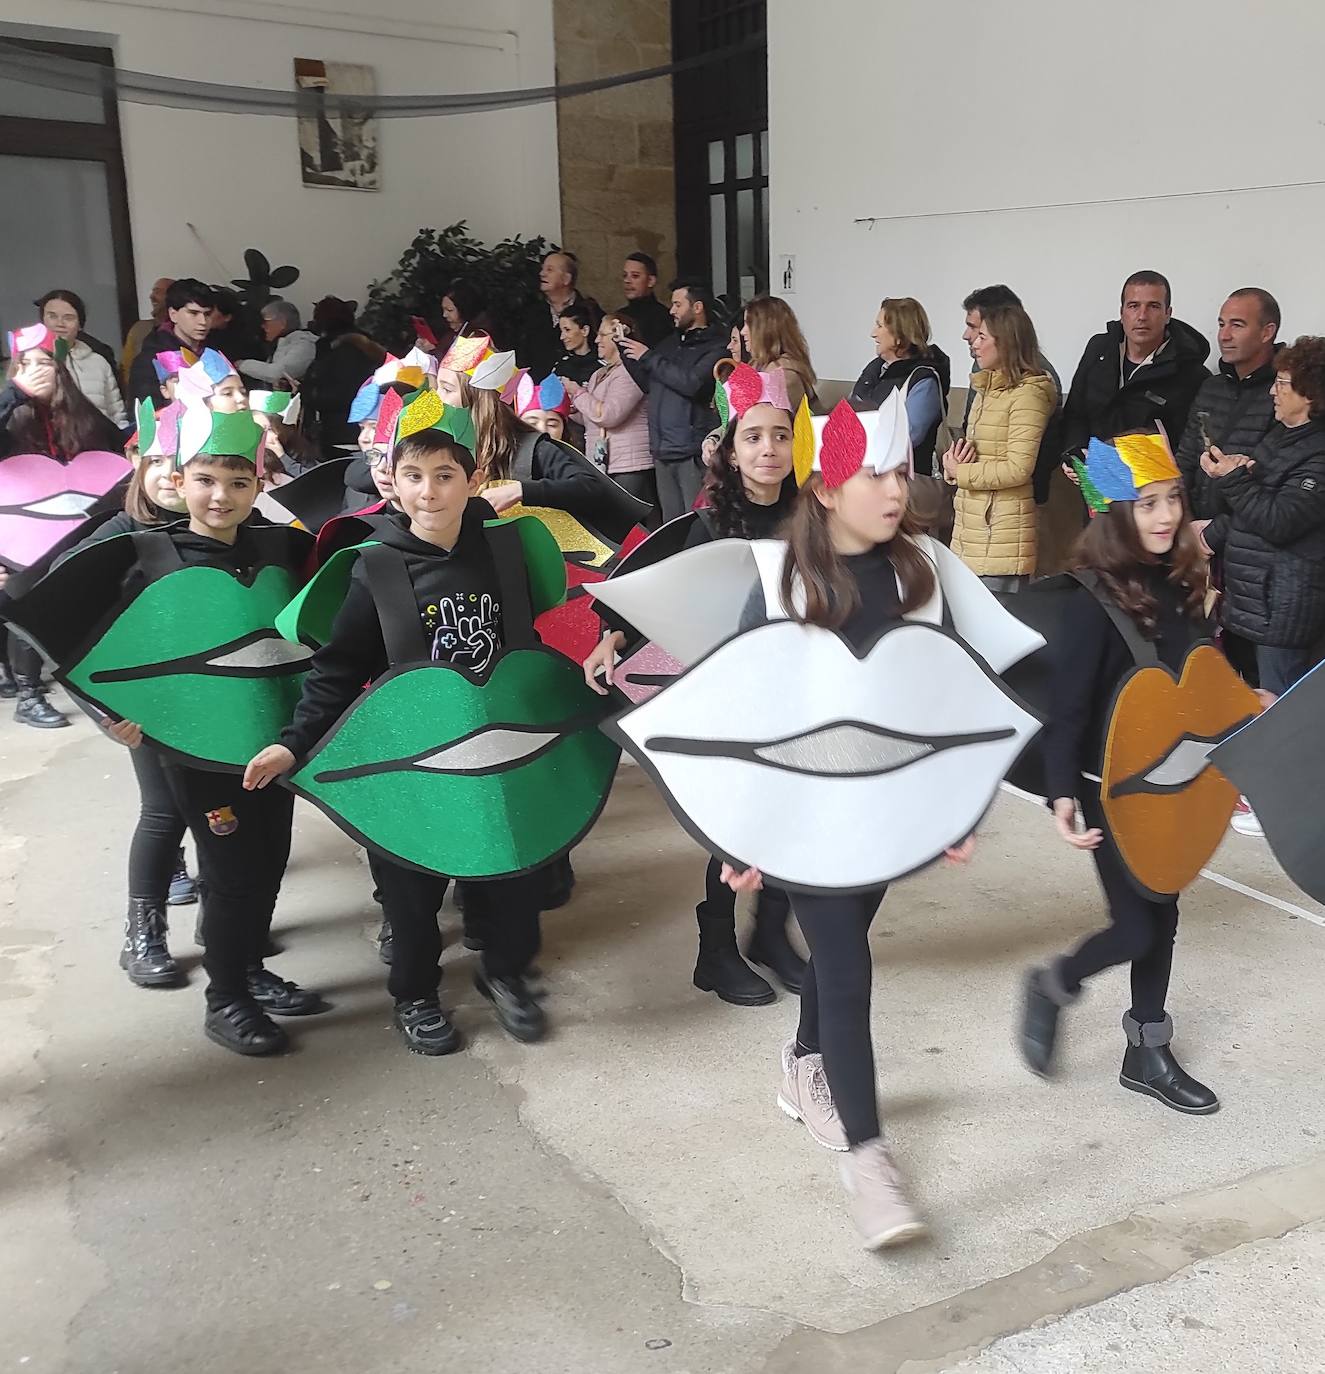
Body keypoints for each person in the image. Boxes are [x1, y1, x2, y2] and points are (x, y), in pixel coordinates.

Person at [721, 406, 977, 1247]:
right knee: (846, 966)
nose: (894, 489)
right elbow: (742, 713)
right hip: (808, 811)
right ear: (827, 489)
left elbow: (937, 690)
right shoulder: (782, 583)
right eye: (874, 474)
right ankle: (870, 1166)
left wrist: (950, 800)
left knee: (845, 947)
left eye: (901, 471)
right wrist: (740, 833)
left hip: (885, 807)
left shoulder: (918, 573)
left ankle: (802, 1064)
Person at [246, 429, 549, 1050]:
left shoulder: (507, 549)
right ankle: (415, 994)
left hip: (494, 745)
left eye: (445, 476)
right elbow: (337, 669)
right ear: (394, 483)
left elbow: (535, 642)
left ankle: (505, 972)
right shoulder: (375, 567)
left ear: (473, 481)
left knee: (510, 870)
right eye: (414, 476)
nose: (429, 492)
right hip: (407, 755)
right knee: (412, 889)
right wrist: (295, 742)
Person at [90, 418, 325, 1054]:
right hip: (195, 751)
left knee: (269, 856)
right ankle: (226, 999)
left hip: (271, 738)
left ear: (259, 485)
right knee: (229, 871)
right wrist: (112, 715)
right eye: (206, 481)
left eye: (238, 483)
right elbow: (96, 646)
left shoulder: (280, 548)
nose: (221, 496)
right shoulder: (149, 557)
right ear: (179, 481)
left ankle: (246, 966)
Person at [585, 364, 804, 1004]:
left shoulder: (813, 518)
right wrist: (613, 635)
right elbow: (656, 585)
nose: (769, 449)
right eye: (753, 437)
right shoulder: (709, 523)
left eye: (781, 436)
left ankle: (770, 933)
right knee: (734, 824)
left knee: (791, 813)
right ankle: (716, 950)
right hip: (731, 693)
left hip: (796, 689)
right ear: (730, 451)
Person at [1020, 446, 1220, 1114]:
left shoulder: (1183, 584)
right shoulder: (1092, 602)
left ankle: (1146, 1050)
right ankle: (1055, 982)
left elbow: (1198, 681)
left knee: (1163, 913)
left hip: (1176, 776)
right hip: (1110, 787)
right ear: (1114, 511)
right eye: (1147, 503)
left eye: (1172, 499)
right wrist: (1060, 794)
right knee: (1137, 928)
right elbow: (1069, 711)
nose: (1164, 516)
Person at [54, 431, 200, 987]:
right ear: (136, 461)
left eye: (181, 461)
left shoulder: (215, 528)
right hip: (146, 704)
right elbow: (63, 629)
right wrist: (105, 712)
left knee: (220, 813)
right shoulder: (113, 538)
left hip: (217, 697)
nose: (168, 473)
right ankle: (144, 936)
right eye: (157, 459)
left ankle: (227, 927)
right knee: (164, 811)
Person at [2, 328, 126, 727]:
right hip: (18, 534)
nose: (36, 370)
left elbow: (118, 451)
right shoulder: (9, 415)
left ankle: (94, 684)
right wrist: (16, 395)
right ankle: (28, 694)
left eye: (44, 362)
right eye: (25, 364)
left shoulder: (82, 415)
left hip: (71, 530)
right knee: (26, 599)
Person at [1195, 337, 1325, 700]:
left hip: (1282, 613)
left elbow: (1279, 521)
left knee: (1278, 716)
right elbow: (1247, 508)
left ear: (1310, 393)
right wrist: (1229, 475)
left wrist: (1234, 478)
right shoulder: (1281, 436)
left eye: (1281, 383)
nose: (1272, 392)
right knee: (1244, 707)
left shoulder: (1318, 452)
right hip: (1250, 603)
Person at [942, 300, 1056, 588]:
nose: (974, 344)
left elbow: (1018, 468)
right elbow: (975, 455)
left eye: (982, 337)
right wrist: (952, 463)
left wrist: (961, 472)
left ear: (1006, 342)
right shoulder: (987, 389)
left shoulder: (1028, 395)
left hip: (1001, 536)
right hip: (972, 530)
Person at [1061, 271, 1211, 474]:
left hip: (1152, 484)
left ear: (1168, 314)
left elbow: (1188, 448)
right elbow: (1075, 413)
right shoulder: (1099, 349)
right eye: (1133, 306)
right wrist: (1074, 454)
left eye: (1153, 306)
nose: (1142, 316)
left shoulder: (1190, 373)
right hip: (1093, 478)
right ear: (1122, 312)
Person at [620, 278, 728, 523]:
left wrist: (648, 357)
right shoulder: (669, 344)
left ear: (697, 307)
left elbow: (692, 383)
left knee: (697, 522)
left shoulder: (717, 347)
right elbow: (648, 383)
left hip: (690, 450)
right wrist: (624, 348)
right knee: (671, 525)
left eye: (678, 304)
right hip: (663, 449)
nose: (671, 311)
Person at [851, 297, 952, 475]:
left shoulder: (923, 381)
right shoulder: (875, 369)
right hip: (863, 474)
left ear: (899, 336)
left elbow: (905, 439)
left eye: (879, 326)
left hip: (903, 482)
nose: (873, 333)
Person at [565, 313, 655, 512]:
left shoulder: (631, 372)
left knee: (628, 520)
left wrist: (577, 392)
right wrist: (567, 408)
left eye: (602, 335)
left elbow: (608, 415)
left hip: (628, 465)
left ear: (618, 338)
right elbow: (591, 418)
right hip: (604, 462)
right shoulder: (598, 374)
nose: (596, 340)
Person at [301, 296, 387, 462]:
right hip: (348, 429)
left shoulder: (345, 350)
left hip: (343, 431)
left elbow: (345, 393)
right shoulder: (359, 345)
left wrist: (309, 393)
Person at [36, 289, 128, 429]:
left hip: (97, 440)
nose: (60, 323)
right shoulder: (30, 363)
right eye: (52, 316)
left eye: (68, 318)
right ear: (42, 321)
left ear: (80, 325)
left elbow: (117, 415)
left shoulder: (98, 363)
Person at [129, 279, 216, 408]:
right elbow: (146, 412)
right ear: (173, 314)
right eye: (193, 313)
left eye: (207, 314)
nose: (203, 321)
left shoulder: (214, 353)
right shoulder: (150, 360)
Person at [741, 295, 818, 415]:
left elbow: (765, 420)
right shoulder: (759, 365)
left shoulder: (784, 377)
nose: (742, 332)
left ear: (766, 330)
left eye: (748, 324)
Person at [517, 251, 587, 383]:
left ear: (566, 279)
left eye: (549, 269)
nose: (542, 274)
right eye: (543, 269)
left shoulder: (589, 311)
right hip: (537, 388)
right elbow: (522, 356)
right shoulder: (531, 313)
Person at [237, 301, 317, 390]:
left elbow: (278, 373)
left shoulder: (304, 344)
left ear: (282, 323)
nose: (262, 326)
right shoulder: (278, 343)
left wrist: (242, 364)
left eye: (265, 321)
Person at [121, 276, 174, 386]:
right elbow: (126, 369)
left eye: (158, 292)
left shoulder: (186, 331)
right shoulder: (140, 329)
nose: (151, 296)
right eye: (153, 292)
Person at [617, 252, 672, 345]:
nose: (627, 280)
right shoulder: (619, 315)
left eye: (635, 276)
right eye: (624, 275)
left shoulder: (663, 318)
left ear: (651, 281)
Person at [552, 303, 602, 385]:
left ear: (585, 330)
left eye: (567, 330)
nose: (562, 337)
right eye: (561, 331)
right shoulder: (561, 365)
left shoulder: (601, 366)